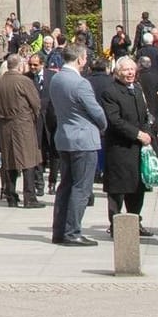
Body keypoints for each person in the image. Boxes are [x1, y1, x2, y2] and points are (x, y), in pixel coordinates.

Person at [46, 45, 107, 243]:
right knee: (81, 188)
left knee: (65, 186)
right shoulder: (80, 83)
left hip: (64, 137)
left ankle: (60, 230)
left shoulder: (56, 78)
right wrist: (103, 125)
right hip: (83, 139)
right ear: (80, 59)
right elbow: (96, 111)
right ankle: (72, 232)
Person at [98, 56, 154, 237]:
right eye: (125, 70)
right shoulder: (110, 91)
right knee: (118, 189)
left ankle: (135, 221)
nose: (129, 73)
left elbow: (144, 116)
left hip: (138, 148)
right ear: (117, 72)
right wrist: (137, 134)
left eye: (132, 69)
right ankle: (115, 224)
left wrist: (146, 134)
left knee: (138, 187)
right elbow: (114, 120)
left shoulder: (137, 89)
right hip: (120, 148)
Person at [0, 53, 44, 207]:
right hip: (23, 123)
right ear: (20, 66)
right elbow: (36, 104)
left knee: (9, 160)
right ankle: (30, 197)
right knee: (28, 159)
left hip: (4, 124)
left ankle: (11, 195)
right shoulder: (24, 81)